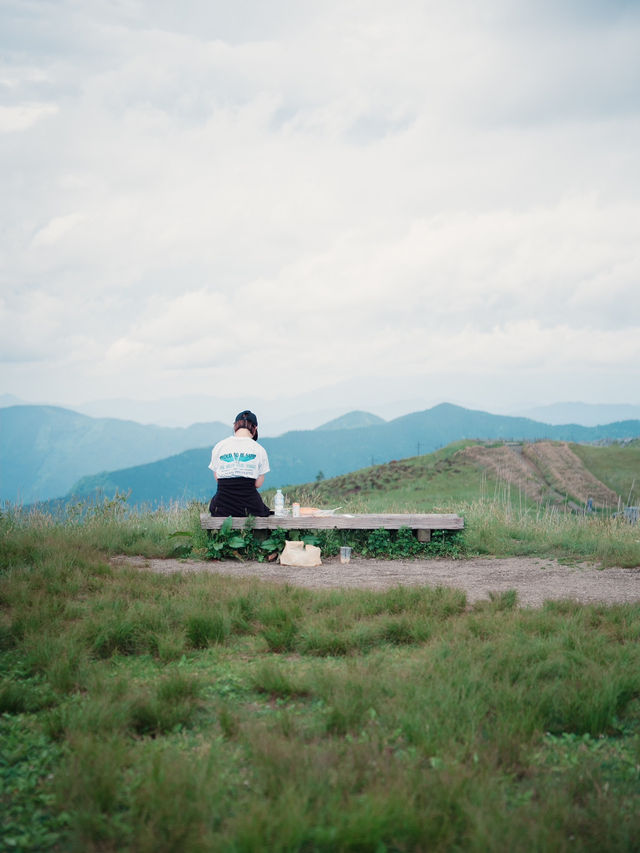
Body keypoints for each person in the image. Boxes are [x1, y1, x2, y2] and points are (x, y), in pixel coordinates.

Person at [208, 410, 273, 517]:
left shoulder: (220, 446)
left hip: (221, 506)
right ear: (255, 428)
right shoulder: (259, 449)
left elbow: (218, 477)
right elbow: (258, 484)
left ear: (235, 426)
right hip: (250, 506)